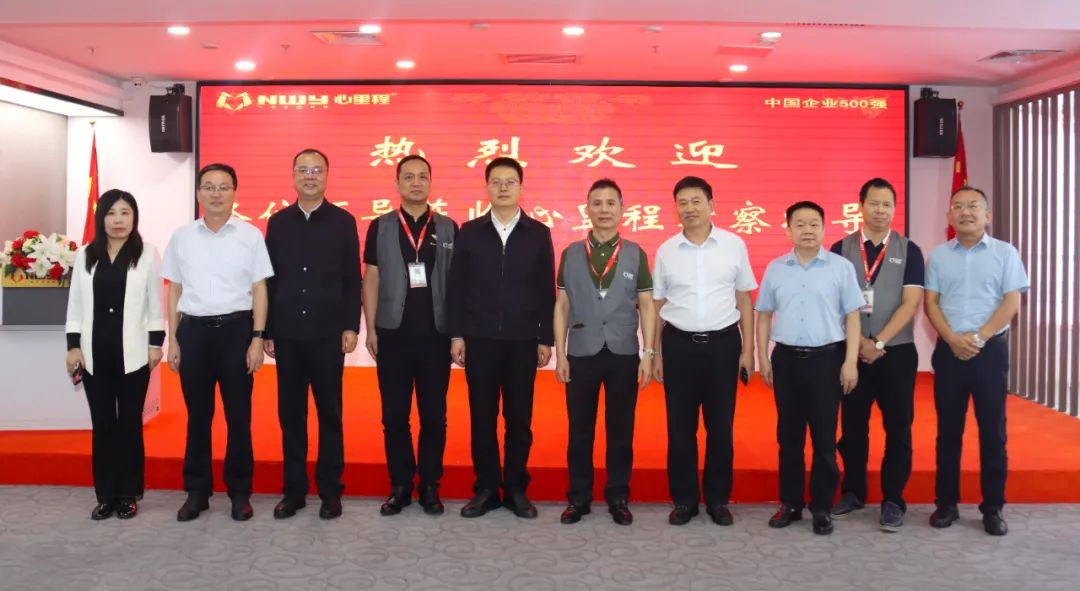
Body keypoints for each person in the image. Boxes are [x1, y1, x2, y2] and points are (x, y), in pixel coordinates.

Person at [162, 163, 273, 522]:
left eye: (223, 187)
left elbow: (260, 288)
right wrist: (173, 339)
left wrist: (257, 338)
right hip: (193, 333)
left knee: (239, 417)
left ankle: (240, 492)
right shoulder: (182, 236)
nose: (216, 193)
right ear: (198, 193)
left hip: (236, 332)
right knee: (198, 417)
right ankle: (197, 492)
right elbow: (174, 289)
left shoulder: (250, 235)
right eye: (208, 187)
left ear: (235, 193)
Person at [447, 156, 556, 519]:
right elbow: (456, 287)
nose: (504, 187)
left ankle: (515, 489)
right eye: (497, 181)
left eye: (510, 181)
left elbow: (545, 290)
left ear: (521, 187)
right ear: (487, 188)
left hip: (522, 341)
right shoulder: (469, 232)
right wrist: (457, 334)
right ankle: (486, 489)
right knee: (482, 417)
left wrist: (545, 339)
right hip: (479, 339)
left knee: (519, 419)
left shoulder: (538, 233)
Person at [651, 176, 756, 526]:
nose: (690, 208)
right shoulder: (666, 251)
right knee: (680, 428)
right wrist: (654, 354)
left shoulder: (733, 245)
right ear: (675, 209)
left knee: (720, 427)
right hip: (678, 345)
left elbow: (744, 299)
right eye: (682, 202)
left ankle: (717, 499)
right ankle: (684, 500)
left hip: (723, 346)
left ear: (711, 205)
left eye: (696, 201)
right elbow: (657, 304)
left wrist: (748, 351)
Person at [924, 186, 1028, 536]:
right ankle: (946, 503)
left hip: (989, 353)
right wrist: (953, 339)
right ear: (949, 216)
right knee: (948, 432)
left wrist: (979, 338)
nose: (965, 212)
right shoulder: (939, 256)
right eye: (958, 206)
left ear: (987, 215)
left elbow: (1011, 302)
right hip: (949, 352)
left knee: (993, 432)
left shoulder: (1005, 253)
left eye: (973, 206)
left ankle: (993, 508)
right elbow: (931, 303)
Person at [755, 200, 863, 535]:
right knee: (789, 438)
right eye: (799, 224)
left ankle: (821, 507)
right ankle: (790, 504)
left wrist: (850, 361)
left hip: (826, 361)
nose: (807, 230)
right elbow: (763, 315)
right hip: (786, 361)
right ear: (788, 230)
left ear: (823, 228)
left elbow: (853, 316)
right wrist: (763, 358)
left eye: (814, 224)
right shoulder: (776, 268)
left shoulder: (840, 268)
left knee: (824, 439)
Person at [264, 148, 361, 520]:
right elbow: (269, 280)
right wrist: (267, 329)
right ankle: (294, 491)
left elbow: (352, 278)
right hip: (288, 334)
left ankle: (330, 492)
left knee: (330, 415)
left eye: (316, 170)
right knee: (291, 416)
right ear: (293, 176)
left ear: (326, 176)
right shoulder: (278, 223)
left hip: (326, 334)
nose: (309, 176)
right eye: (303, 170)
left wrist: (350, 325)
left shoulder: (343, 222)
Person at [553, 179, 656, 526]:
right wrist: (561, 354)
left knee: (620, 430)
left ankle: (618, 497)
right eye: (597, 203)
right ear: (587, 209)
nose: (604, 210)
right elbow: (562, 304)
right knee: (579, 430)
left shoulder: (635, 253)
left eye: (611, 203)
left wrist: (648, 353)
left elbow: (646, 304)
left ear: (622, 210)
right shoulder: (570, 253)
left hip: (623, 352)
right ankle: (578, 498)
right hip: (581, 352)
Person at [362, 155, 457, 516]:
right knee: (394, 416)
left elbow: (458, 284)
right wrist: (370, 328)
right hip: (393, 335)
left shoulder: (448, 228)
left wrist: (457, 334)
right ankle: (400, 486)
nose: (416, 183)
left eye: (422, 177)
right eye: (408, 177)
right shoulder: (381, 226)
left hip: (436, 337)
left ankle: (430, 486)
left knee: (434, 416)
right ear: (397, 183)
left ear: (430, 182)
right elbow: (371, 278)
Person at [829, 178, 925, 532]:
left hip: (895, 354)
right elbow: (833, 302)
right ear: (861, 206)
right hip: (851, 354)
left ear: (894, 209)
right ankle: (853, 492)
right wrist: (858, 346)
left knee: (898, 429)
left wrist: (879, 342)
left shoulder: (909, 250)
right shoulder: (840, 249)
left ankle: (893, 500)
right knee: (853, 427)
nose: (880, 210)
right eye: (874, 203)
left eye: (887, 205)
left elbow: (911, 303)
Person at [65, 189, 164, 520]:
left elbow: (154, 301)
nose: (118, 220)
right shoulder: (85, 255)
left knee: (130, 424)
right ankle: (106, 494)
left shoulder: (147, 253)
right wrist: (73, 346)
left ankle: (128, 493)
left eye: (125, 213)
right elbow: (76, 304)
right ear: (101, 218)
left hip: (134, 355)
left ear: (134, 217)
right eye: (111, 213)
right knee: (103, 424)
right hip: (94, 354)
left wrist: (155, 344)